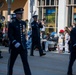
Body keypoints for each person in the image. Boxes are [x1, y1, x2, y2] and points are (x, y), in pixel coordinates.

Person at [7, 8, 32, 75]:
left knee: (25, 62)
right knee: (11, 63)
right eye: (20, 14)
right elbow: (10, 35)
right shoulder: (12, 24)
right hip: (15, 46)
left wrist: (24, 41)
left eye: (21, 14)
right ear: (16, 15)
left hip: (22, 46)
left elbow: (23, 33)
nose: (21, 15)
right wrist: (14, 42)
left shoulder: (23, 23)